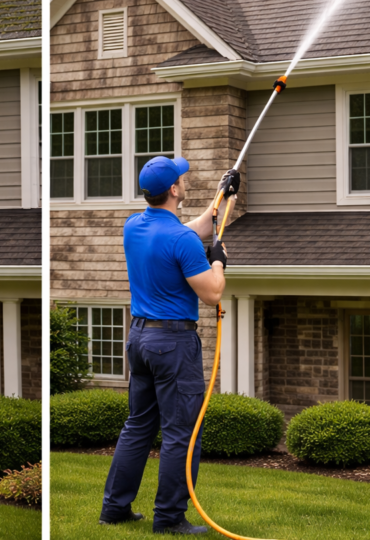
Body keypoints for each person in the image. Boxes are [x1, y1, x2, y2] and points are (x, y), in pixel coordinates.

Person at [99, 156, 238, 535]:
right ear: (174, 189)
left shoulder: (134, 225)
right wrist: (219, 262)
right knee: (181, 433)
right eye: (180, 177)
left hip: (140, 339)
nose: (183, 179)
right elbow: (212, 293)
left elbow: (192, 230)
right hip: (173, 343)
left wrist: (223, 198)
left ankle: (114, 509)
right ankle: (170, 517)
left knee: (138, 426)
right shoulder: (181, 240)